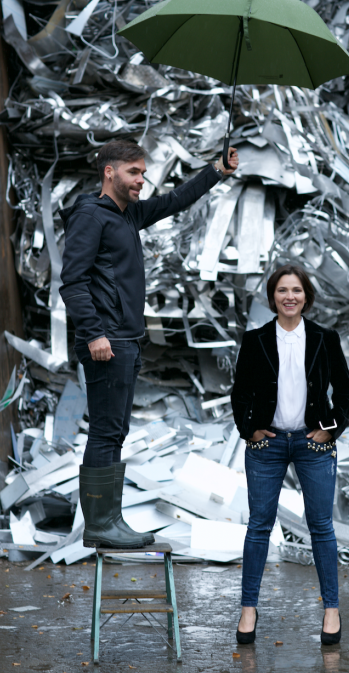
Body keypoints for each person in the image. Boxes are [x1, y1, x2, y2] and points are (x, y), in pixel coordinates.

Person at [59, 139, 239, 549]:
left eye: (143, 172)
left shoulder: (127, 214)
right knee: (105, 433)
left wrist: (217, 170)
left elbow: (176, 200)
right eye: (134, 172)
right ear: (109, 172)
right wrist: (94, 334)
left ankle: (110, 520)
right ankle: (101, 524)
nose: (142, 179)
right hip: (107, 342)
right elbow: (72, 282)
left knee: (114, 432)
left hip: (125, 339)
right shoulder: (91, 216)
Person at [231, 264, 349, 645]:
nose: (290, 297)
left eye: (296, 290)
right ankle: (248, 608)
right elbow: (240, 391)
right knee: (258, 526)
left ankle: (331, 609)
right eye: (282, 290)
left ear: (306, 296)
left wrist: (331, 428)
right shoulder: (255, 340)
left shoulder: (324, 338)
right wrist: (250, 429)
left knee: (321, 527)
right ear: (273, 297)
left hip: (312, 443)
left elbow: (344, 390)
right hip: (266, 445)